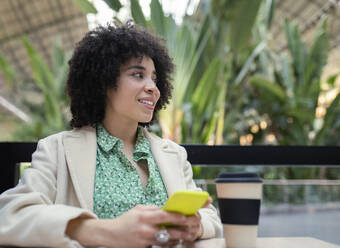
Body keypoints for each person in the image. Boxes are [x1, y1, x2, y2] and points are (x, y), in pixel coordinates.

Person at [0, 21, 222, 248]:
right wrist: (102, 231)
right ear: (103, 81)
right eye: (138, 74)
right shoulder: (57, 150)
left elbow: (210, 216)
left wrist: (197, 226)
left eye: (154, 78)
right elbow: (9, 216)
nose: (152, 87)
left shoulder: (173, 154)